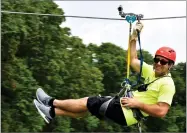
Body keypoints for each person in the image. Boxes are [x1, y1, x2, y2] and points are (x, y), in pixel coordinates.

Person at [33, 22, 176, 127]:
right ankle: (51, 112)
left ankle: (50, 102)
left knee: (87, 102)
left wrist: (137, 103)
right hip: (125, 107)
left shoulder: (167, 84)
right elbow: (132, 60)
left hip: (127, 111)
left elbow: (161, 111)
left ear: (170, 65)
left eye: (163, 62)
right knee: (86, 108)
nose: (158, 64)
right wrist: (133, 38)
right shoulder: (152, 70)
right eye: (156, 60)